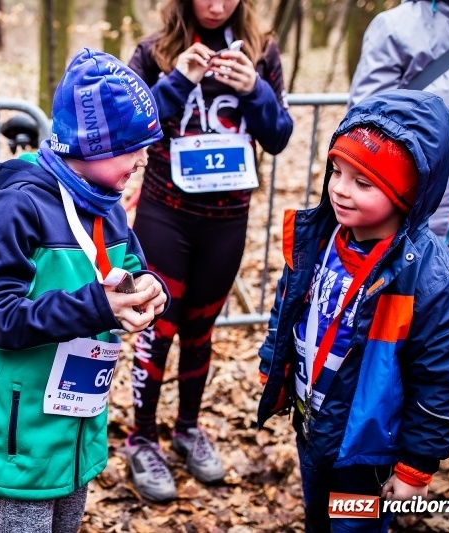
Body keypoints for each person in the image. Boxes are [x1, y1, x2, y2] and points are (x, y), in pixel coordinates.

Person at [0, 48, 170, 533]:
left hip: (79, 426)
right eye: (132, 148)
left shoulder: (107, 203)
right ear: (92, 143)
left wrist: (151, 289)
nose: (143, 160)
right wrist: (97, 306)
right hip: (24, 434)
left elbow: (133, 267)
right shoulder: (17, 209)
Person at [257, 89, 449, 532]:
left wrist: (416, 466)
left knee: (355, 522)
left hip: (370, 449)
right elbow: (288, 306)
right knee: (319, 513)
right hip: (315, 425)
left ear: (406, 192)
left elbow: (440, 380)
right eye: (336, 172)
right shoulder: (320, 239)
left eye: (363, 183)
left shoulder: (437, 284)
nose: (339, 189)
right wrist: (274, 367)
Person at [123, 0, 293, 502]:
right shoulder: (154, 52)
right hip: (165, 214)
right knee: (159, 326)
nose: (217, 5)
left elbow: (279, 135)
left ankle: (188, 428)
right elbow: (134, 125)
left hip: (227, 219)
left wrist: (253, 89)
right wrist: (177, 81)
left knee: (200, 329)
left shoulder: (262, 52)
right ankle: (141, 438)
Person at [349, 0, 449, 469]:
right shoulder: (397, 27)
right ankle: (366, 490)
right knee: (384, 373)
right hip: (410, 244)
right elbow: (362, 136)